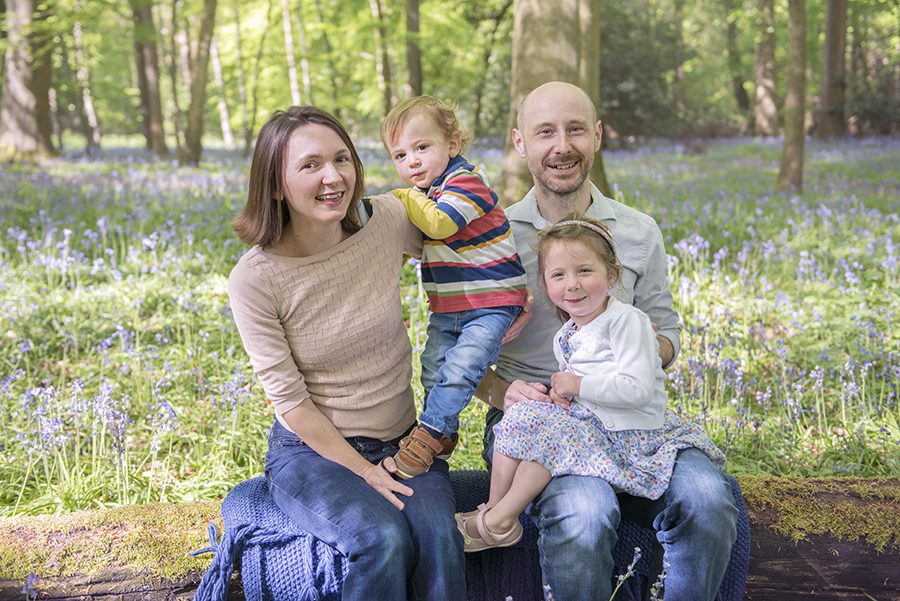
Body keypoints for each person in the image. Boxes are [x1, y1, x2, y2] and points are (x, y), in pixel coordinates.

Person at [476, 81, 739, 600]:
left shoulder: (638, 232)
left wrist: (637, 346)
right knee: (585, 511)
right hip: (540, 424)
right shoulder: (492, 240)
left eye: (576, 129)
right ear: (520, 143)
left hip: (632, 421)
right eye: (545, 131)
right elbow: (450, 357)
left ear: (596, 137)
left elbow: (667, 334)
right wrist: (500, 392)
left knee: (710, 499)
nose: (562, 145)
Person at [227, 106, 465, 601]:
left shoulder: (387, 221)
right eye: (310, 165)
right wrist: (362, 473)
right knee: (381, 539)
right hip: (313, 454)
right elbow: (290, 404)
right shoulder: (255, 279)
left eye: (342, 159)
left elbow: (468, 237)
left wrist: (508, 297)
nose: (333, 177)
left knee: (441, 539)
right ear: (275, 184)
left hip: (404, 443)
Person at [458, 215, 726, 554]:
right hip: (594, 420)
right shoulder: (569, 331)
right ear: (545, 284)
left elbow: (636, 389)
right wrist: (561, 398)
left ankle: (497, 521)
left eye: (584, 271)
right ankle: (495, 512)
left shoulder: (628, 321)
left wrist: (578, 385)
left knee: (552, 441)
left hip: (629, 431)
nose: (572, 284)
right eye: (558, 275)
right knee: (521, 418)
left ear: (611, 275)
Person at [380, 96, 527, 479]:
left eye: (421, 147)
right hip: (449, 306)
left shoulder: (466, 183)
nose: (411, 161)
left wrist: (403, 197)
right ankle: (444, 431)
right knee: (432, 368)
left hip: (492, 301)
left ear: (453, 144)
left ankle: (429, 432)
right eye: (399, 155)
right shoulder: (430, 193)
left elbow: (441, 225)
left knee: (462, 367)